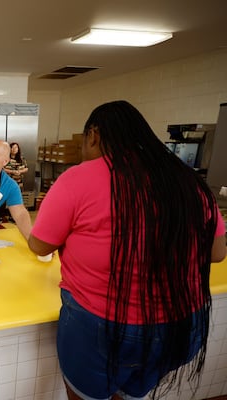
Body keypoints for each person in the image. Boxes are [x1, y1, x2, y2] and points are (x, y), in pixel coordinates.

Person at [27, 100, 226, 400]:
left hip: (103, 326)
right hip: (182, 324)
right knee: (133, 394)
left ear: (93, 136)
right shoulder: (188, 181)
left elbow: (39, 244)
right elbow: (216, 253)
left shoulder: (78, 178)